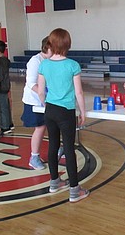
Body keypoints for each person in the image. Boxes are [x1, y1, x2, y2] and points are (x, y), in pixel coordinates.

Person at [37, 28, 89, 202]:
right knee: (68, 148)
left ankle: (54, 182)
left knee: (53, 145)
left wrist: (46, 105)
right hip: (65, 112)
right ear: (68, 44)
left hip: (50, 110)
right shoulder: (72, 65)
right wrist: (82, 111)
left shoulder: (44, 64)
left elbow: (41, 91)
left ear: (51, 44)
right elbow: (79, 92)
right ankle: (74, 190)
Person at [21, 36, 52, 170]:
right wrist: (43, 93)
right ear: (48, 48)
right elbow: (31, 83)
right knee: (40, 127)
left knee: (51, 125)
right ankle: (34, 157)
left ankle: (57, 149)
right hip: (34, 101)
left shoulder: (50, 61)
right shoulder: (35, 61)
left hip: (47, 99)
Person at [0, 40, 13, 134]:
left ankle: (5, 126)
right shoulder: (5, 60)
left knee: (3, 107)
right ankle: (9, 123)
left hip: (2, 86)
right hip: (6, 85)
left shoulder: (0, 62)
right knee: (5, 106)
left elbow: (0, 75)